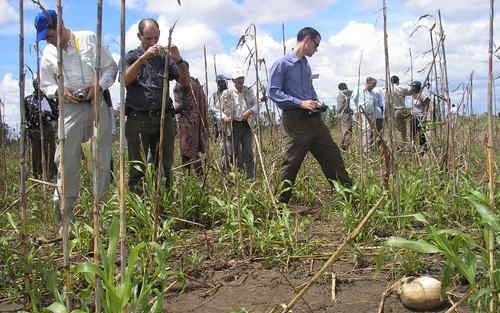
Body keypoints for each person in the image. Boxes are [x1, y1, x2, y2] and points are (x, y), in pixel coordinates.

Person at [37, 9, 117, 223]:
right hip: (70, 108)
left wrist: (98, 85)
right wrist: (58, 91)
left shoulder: (88, 38)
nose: (50, 42)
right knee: (65, 159)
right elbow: (46, 83)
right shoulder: (49, 54)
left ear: (61, 24)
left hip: (96, 104)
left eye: (51, 36)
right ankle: (65, 218)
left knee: (101, 159)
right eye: (46, 39)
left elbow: (111, 68)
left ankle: (101, 217)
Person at [268, 27, 352, 204]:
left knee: (332, 154)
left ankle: (350, 197)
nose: (317, 48)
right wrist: (300, 102)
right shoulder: (282, 63)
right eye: (316, 44)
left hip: (313, 118)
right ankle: (279, 203)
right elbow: (273, 92)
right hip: (295, 119)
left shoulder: (306, 65)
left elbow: (309, 90)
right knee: (292, 161)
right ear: (306, 40)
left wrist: (315, 102)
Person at [123, 18, 190, 193]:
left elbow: (184, 81)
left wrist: (179, 60)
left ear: (159, 35)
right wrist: (143, 58)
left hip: (164, 119)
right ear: (139, 36)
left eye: (155, 38)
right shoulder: (131, 56)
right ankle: (139, 213)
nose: (153, 43)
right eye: (148, 39)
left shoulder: (166, 58)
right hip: (138, 119)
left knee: (165, 167)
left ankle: (163, 208)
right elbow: (125, 80)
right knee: (138, 168)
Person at [220, 69, 258, 179]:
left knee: (248, 153)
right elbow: (218, 109)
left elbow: (257, 105)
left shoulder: (248, 91)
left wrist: (250, 111)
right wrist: (225, 117)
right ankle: (235, 177)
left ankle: (251, 178)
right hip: (233, 126)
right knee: (233, 153)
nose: (240, 83)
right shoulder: (226, 93)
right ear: (233, 81)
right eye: (238, 81)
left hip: (247, 125)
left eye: (242, 80)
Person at [173, 76, 208, 178]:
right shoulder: (196, 84)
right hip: (196, 124)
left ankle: (190, 179)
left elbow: (180, 105)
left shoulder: (182, 83)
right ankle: (196, 179)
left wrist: (169, 110)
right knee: (192, 151)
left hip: (187, 124)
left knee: (187, 152)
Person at [24, 78, 58, 179]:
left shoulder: (50, 100)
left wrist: (47, 114)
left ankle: (50, 176)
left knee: (50, 154)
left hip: (48, 130)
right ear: (34, 86)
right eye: (37, 84)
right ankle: (36, 177)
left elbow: (56, 114)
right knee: (36, 156)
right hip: (34, 131)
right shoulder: (28, 100)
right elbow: (25, 117)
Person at [355, 77, 383, 154]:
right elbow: (353, 101)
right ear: (367, 83)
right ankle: (366, 151)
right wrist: (356, 111)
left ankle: (370, 149)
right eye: (373, 85)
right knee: (367, 132)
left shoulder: (373, 93)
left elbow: (375, 104)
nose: (374, 86)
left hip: (372, 114)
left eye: (375, 85)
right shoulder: (359, 90)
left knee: (372, 132)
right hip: (363, 114)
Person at [390, 75, 417, 146]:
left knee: (395, 128)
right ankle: (403, 145)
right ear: (398, 81)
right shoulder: (400, 88)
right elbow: (411, 91)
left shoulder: (388, 89)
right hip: (400, 110)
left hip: (392, 111)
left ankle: (397, 144)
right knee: (403, 130)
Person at [410, 81, 430, 154]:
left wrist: (425, 116)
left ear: (416, 87)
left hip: (420, 117)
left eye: (412, 86)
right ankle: (413, 148)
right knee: (412, 133)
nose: (411, 88)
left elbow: (427, 104)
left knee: (421, 134)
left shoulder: (422, 95)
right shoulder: (413, 95)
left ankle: (423, 149)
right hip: (413, 117)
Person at [336, 82, 353, 151]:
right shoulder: (349, 93)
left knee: (345, 130)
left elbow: (339, 107)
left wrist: (337, 113)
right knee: (349, 130)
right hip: (349, 114)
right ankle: (346, 146)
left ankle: (344, 147)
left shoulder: (341, 95)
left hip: (344, 114)